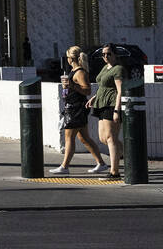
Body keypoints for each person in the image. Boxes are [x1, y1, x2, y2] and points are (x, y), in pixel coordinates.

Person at [49, 45, 106, 175]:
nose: (67, 60)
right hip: (74, 107)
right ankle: (101, 163)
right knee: (84, 138)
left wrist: (72, 85)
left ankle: (64, 166)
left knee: (69, 137)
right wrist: (69, 86)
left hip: (76, 109)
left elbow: (87, 90)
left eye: (67, 57)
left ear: (71, 58)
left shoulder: (80, 72)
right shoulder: (74, 71)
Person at [85, 43, 126, 180]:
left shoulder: (118, 69)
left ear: (115, 55)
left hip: (111, 104)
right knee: (103, 138)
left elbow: (120, 91)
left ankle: (114, 172)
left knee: (110, 138)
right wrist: (94, 97)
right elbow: (103, 86)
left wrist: (116, 110)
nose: (105, 56)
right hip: (101, 104)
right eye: (103, 54)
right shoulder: (105, 68)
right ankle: (129, 152)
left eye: (108, 54)